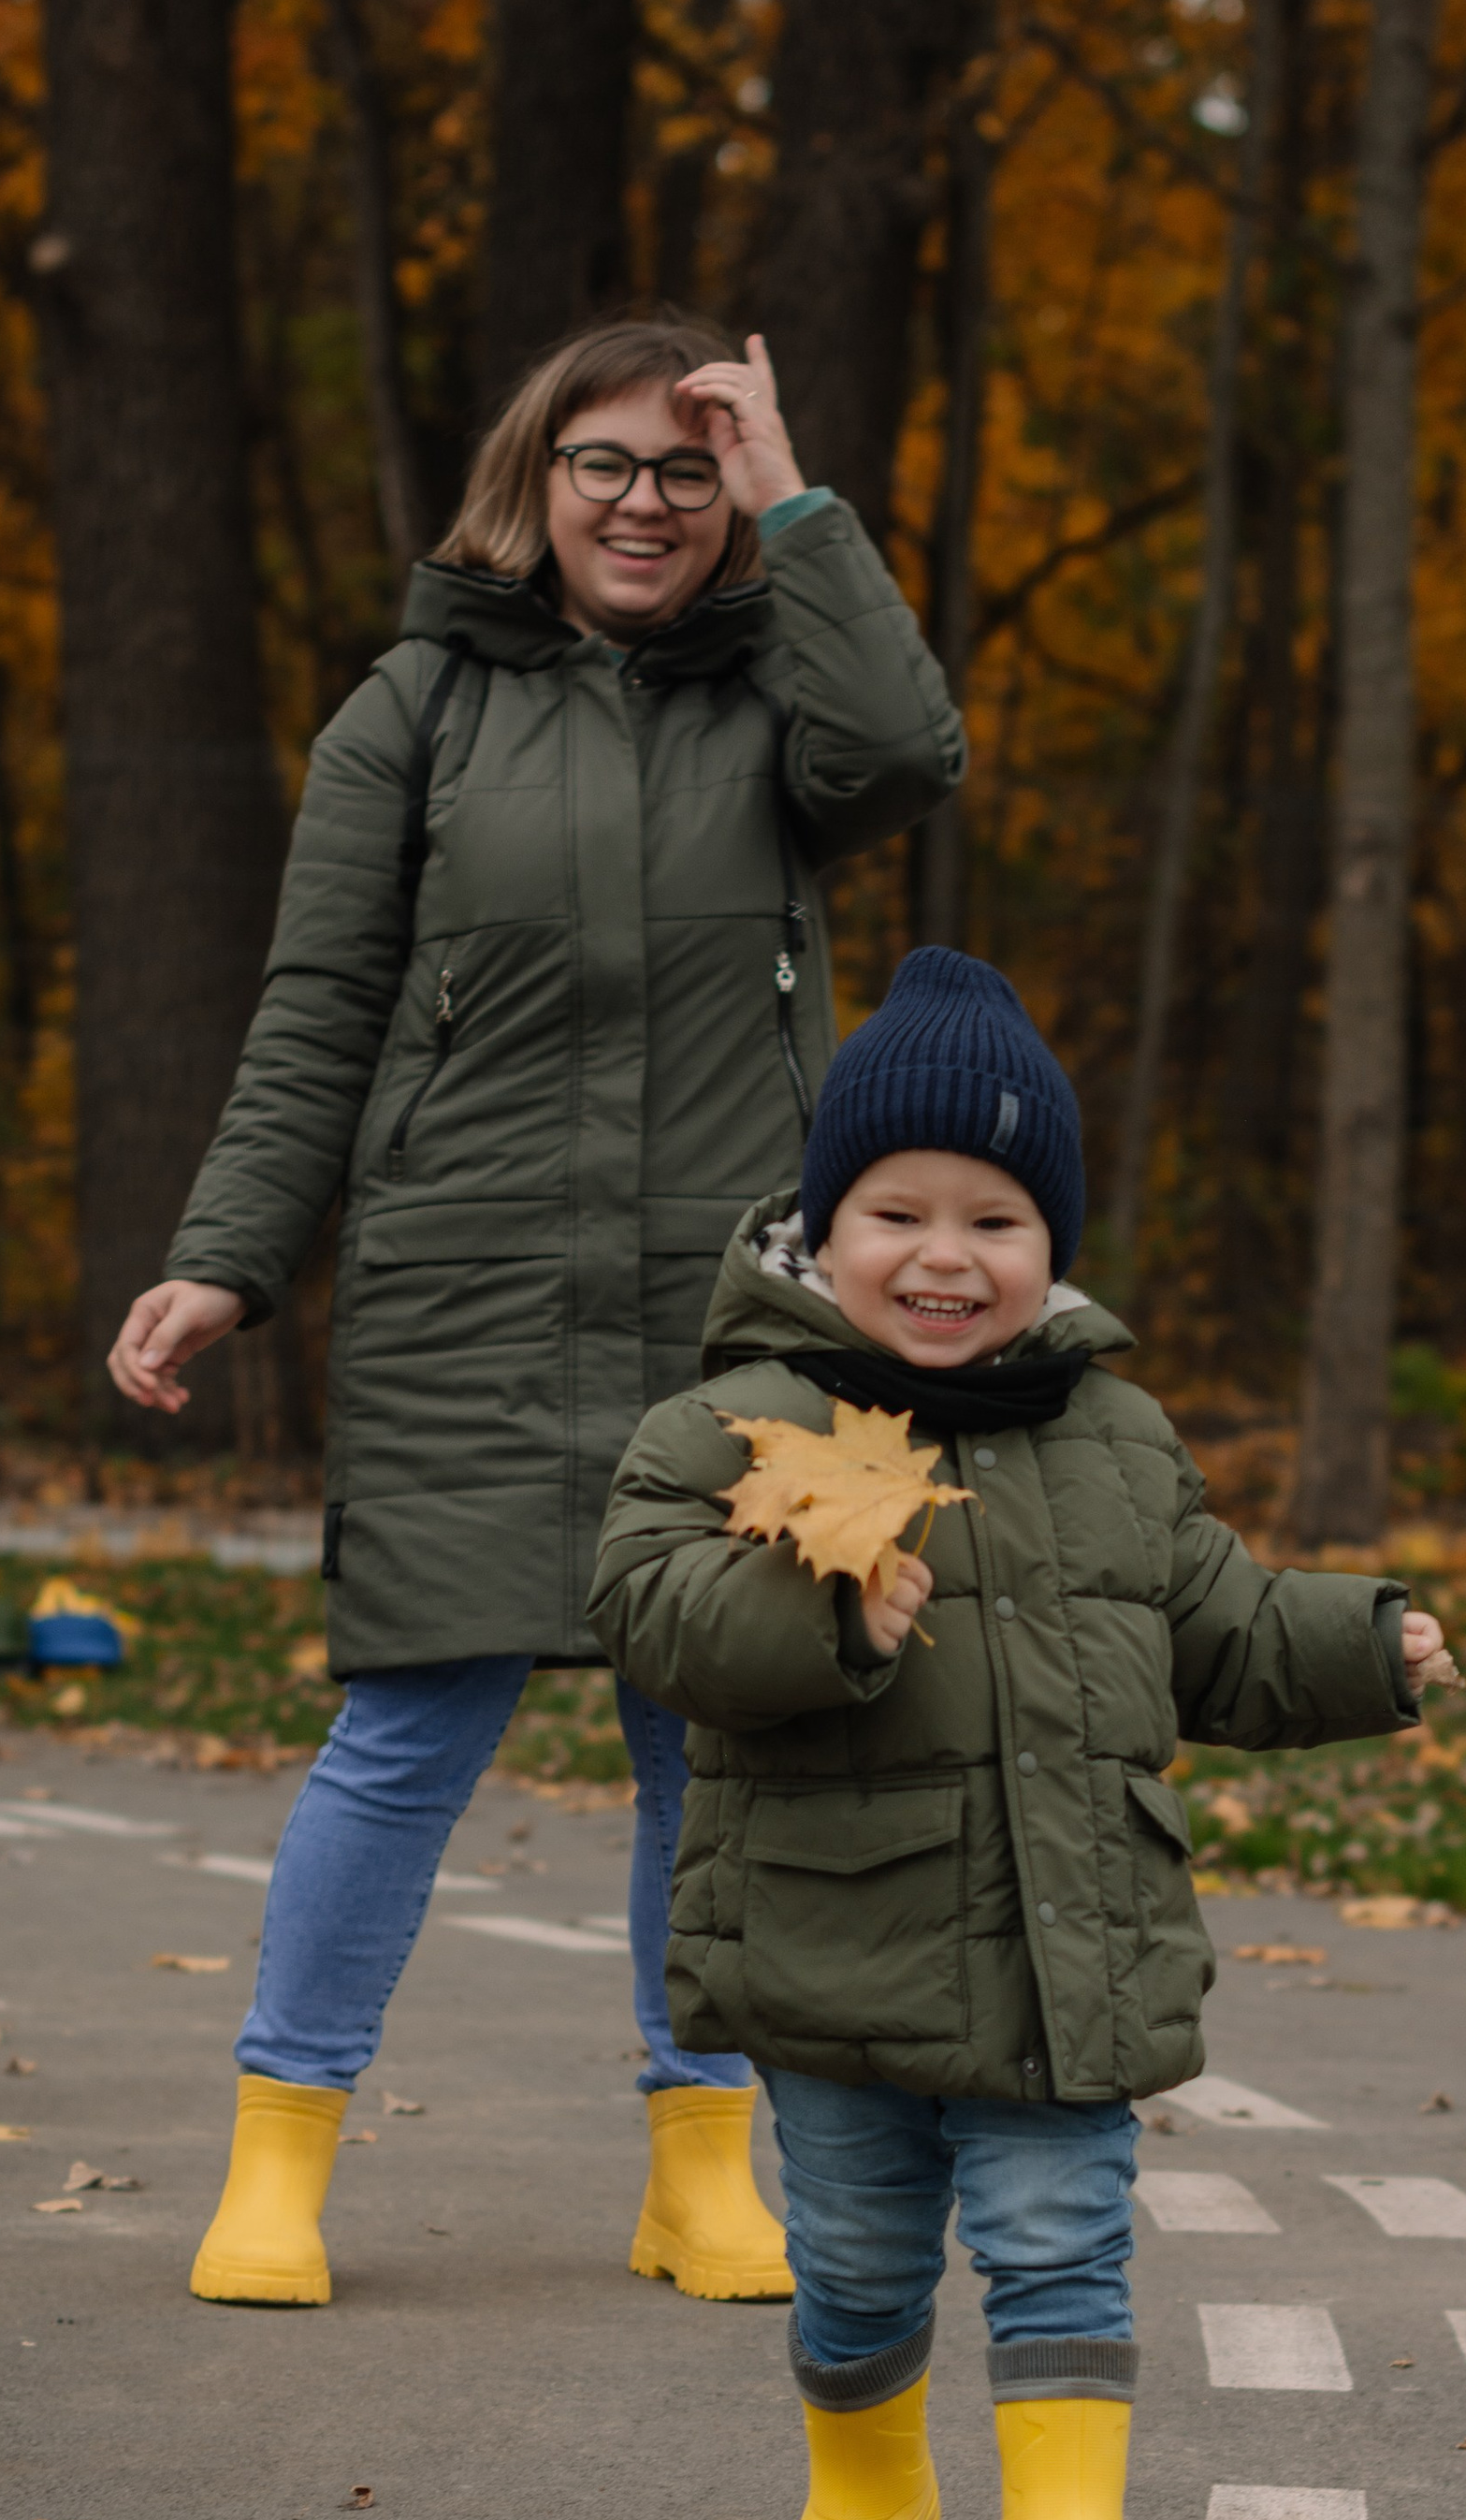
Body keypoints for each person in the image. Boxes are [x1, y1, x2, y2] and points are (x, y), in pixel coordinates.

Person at [104, 315, 964, 2310]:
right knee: (403, 1729)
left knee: (712, 1740)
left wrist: (799, 497)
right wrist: (229, 1257)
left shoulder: (779, 706)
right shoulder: (408, 713)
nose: (644, 504)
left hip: (727, 1306)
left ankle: (697, 2173)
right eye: (606, 463)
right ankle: (278, 2162)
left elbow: (908, 754)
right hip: (461, 1288)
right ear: (532, 481)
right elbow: (315, 1008)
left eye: (685, 467)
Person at [589, 948, 1449, 2520]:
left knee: (1064, 2240)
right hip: (838, 1953)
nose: (943, 1256)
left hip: (1077, 1945)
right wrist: (820, 1605)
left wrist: (1359, 1643)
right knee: (852, 2261)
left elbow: (1210, 1624)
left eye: (995, 1221)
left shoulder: (1116, 1439)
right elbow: (647, 1606)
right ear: (822, 1233)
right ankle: (868, 2496)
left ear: (1051, 1248)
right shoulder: (731, 1426)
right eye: (898, 1211)